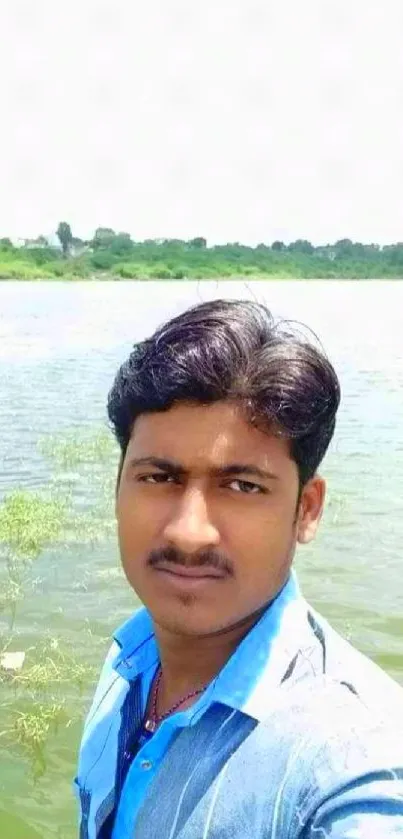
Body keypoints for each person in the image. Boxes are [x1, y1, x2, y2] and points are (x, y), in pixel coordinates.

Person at [74, 298, 403, 839]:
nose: (188, 531)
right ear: (117, 486)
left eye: (242, 486)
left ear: (307, 509)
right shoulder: (128, 661)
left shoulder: (352, 763)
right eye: (159, 477)